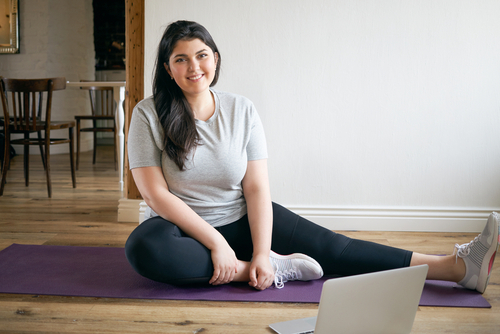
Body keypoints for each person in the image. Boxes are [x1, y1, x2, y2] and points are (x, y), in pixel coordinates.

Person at [125, 20, 499, 293]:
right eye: (181, 59)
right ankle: (254, 269)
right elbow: (157, 195)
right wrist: (220, 246)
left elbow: (255, 188)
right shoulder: (146, 114)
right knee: (143, 247)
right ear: (167, 69)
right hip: (181, 230)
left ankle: (455, 268)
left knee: (336, 249)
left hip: (238, 215)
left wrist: (259, 246)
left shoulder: (242, 110)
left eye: (201, 55)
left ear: (216, 59)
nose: (194, 68)